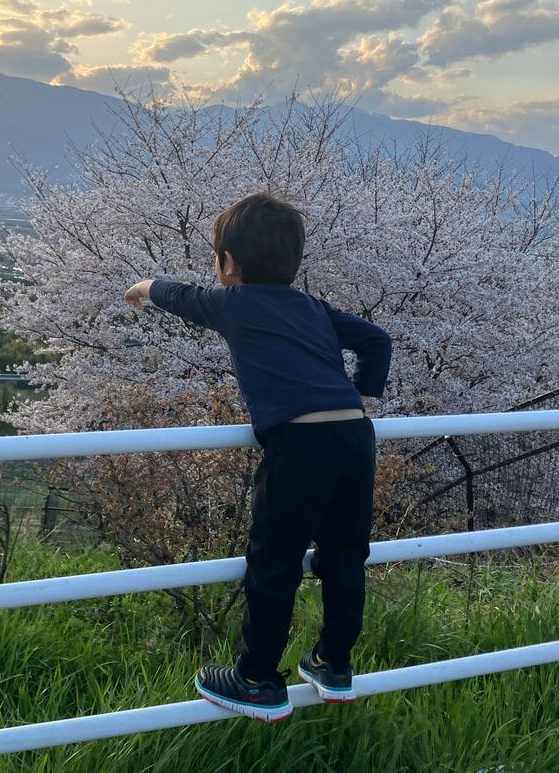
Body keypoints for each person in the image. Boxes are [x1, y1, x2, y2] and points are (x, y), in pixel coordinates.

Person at [124, 192, 391, 723]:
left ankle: (257, 679)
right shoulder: (312, 308)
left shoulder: (234, 303)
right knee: (345, 554)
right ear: (294, 261)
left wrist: (145, 287)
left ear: (229, 264)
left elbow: (180, 296)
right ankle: (333, 664)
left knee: (274, 560)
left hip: (299, 444)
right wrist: (360, 392)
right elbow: (377, 340)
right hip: (354, 436)